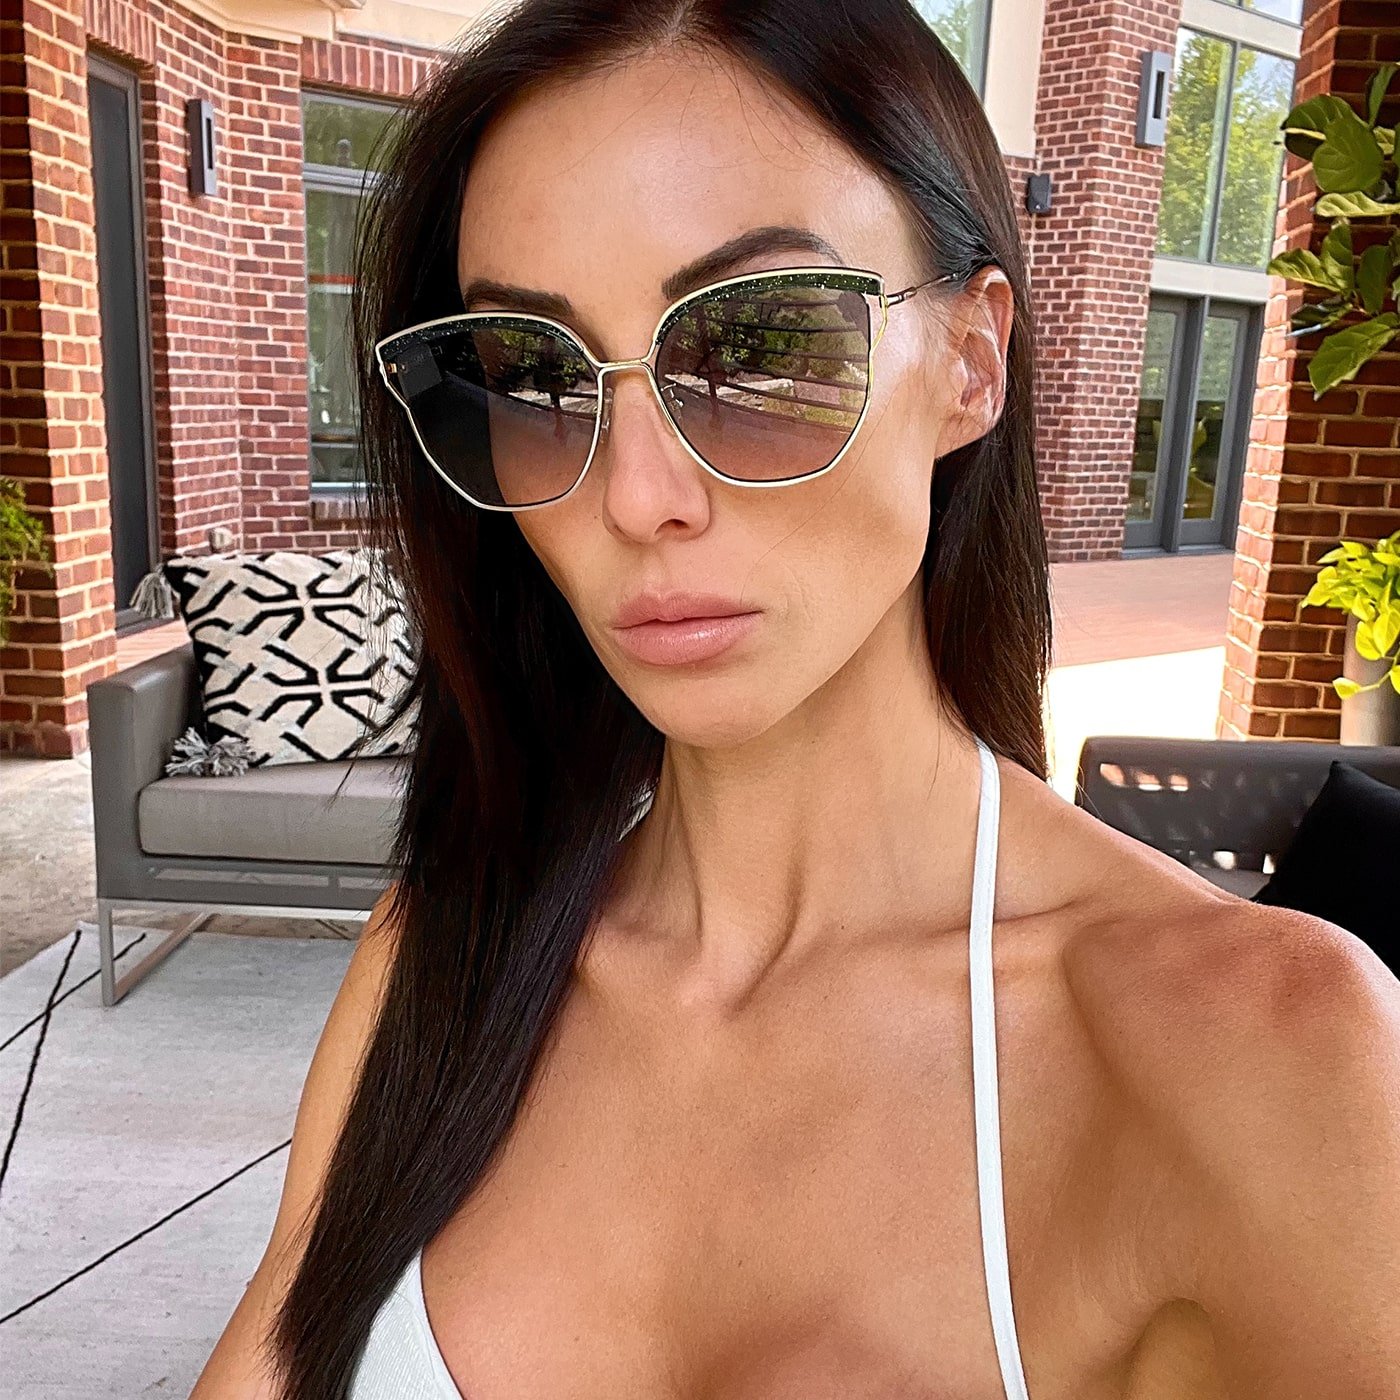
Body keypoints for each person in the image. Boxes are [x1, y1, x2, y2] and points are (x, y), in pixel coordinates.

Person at [190, 2, 1400, 1397]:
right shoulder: (446, 957)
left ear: (972, 361)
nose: (636, 495)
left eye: (758, 346)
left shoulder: (1263, 1061)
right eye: (536, 375)